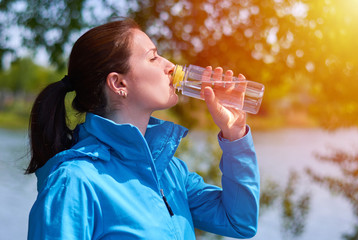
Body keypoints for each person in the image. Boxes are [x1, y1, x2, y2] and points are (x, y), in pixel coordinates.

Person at [26, 18, 260, 240]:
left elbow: (240, 222)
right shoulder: (74, 181)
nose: (170, 65)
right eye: (153, 58)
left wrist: (234, 133)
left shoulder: (169, 171)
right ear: (119, 83)